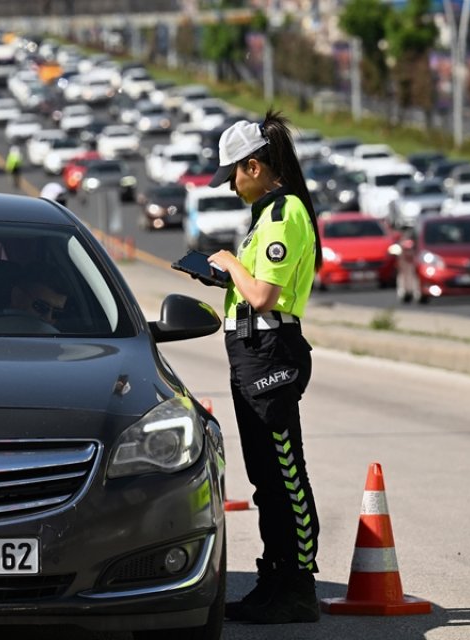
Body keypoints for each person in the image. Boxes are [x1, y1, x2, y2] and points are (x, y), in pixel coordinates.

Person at [205, 111, 323, 624]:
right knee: (263, 477)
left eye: (233, 173)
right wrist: (222, 275)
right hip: (252, 352)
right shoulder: (266, 216)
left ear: (253, 167)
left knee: (284, 472)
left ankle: (298, 584)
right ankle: (273, 578)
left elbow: (264, 294)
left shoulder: (282, 215)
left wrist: (230, 262)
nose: (230, 185)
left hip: (271, 353)